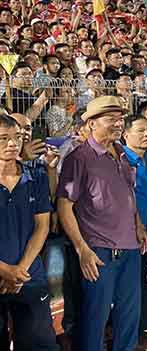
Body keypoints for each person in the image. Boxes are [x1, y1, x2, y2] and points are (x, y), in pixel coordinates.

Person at [57, 96, 147, 351]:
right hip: (98, 250)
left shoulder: (122, 153)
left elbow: (128, 193)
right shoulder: (79, 158)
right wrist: (82, 249)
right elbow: (64, 206)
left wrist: (138, 225)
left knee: (129, 315)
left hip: (130, 246)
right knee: (94, 318)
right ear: (91, 124)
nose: (118, 124)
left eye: (120, 119)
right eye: (111, 119)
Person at [0, 114, 59, 351]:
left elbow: (42, 226)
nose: (12, 144)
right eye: (3, 138)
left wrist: (19, 271)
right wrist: (5, 270)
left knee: (39, 343)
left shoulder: (36, 176)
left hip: (29, 277)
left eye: (16, 137)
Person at [122, 114, 147, 348]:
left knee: (145, 282)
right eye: (140, 130)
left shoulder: (145, 158)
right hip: (130, 234)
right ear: (125, 134)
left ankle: (145, 328)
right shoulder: (122, 160)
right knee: (130, 289)